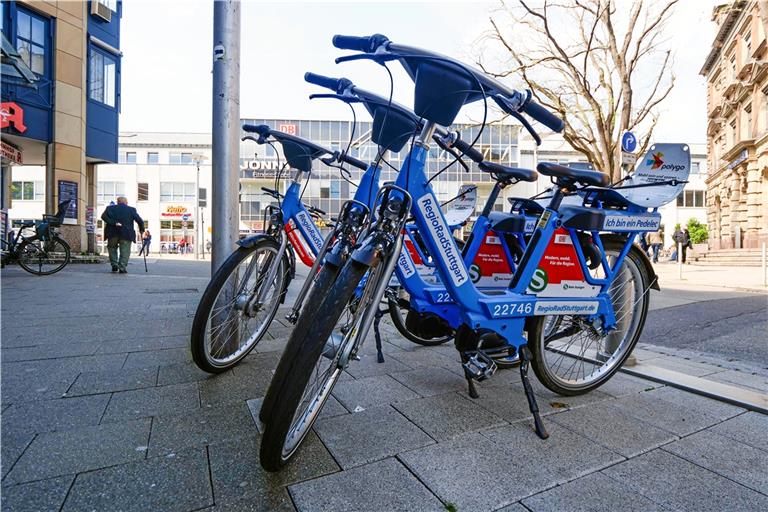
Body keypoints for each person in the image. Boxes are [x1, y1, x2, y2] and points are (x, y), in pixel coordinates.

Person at [101, 196, 144, 273]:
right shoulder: (131, 209)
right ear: (126, 202)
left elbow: (103, 217)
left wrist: (113, 223)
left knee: (112, 248)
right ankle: (122, 267)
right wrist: (142, 230)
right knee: (125, 251)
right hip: (126, 234)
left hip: (112, 233)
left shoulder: (109, 208)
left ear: (117, 202)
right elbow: (140, 221)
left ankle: (114, 264)